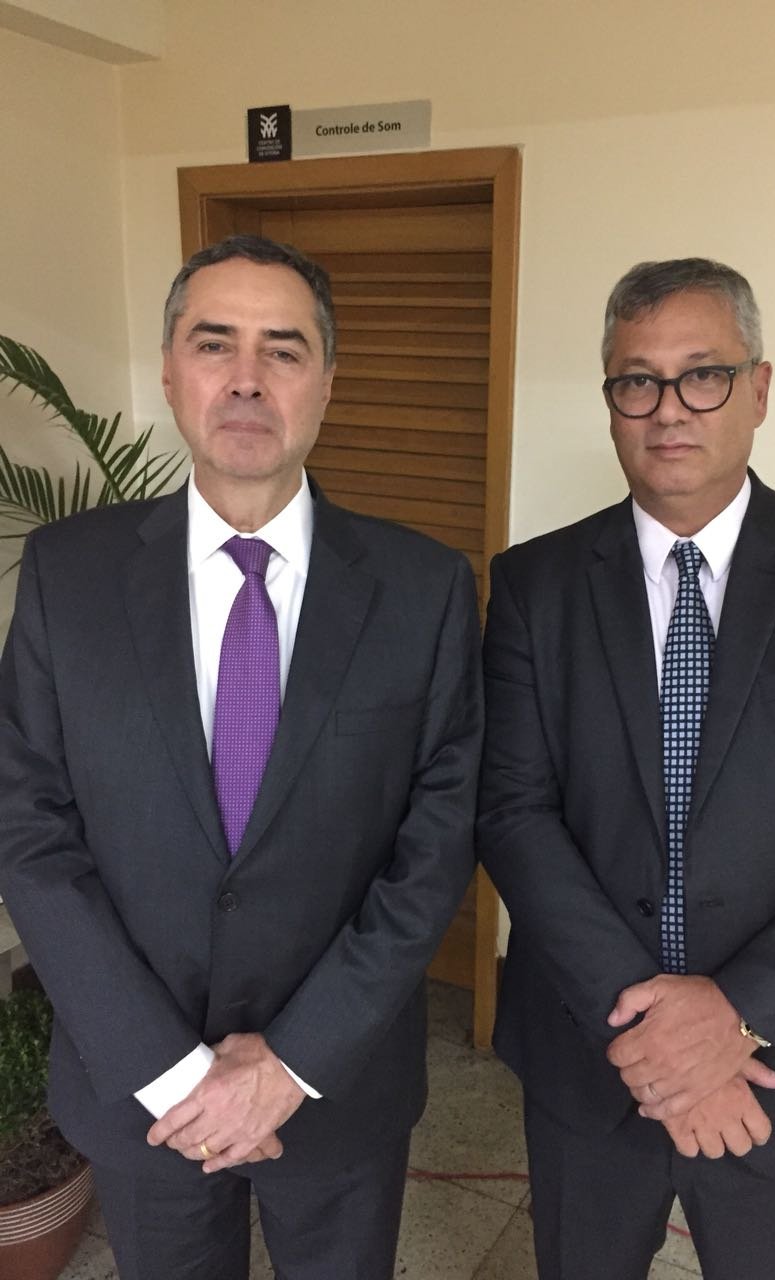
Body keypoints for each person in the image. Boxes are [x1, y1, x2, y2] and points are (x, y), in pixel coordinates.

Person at [0, 234, 482, 1279]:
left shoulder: (425, 588)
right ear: (171, 372)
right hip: (142, 1090)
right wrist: (170, 1070)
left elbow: (435, 845)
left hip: (338, 1082)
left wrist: (295, 1060)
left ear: (328, 381)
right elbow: (28, 828)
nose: (248, 377)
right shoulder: (68, 576)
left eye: (285, 348)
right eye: (214, 343)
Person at [477, 257, 775, 1279]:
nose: (668, 409)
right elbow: (513, 811)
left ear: (760, 388)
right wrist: (653, 1030)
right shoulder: (534, 584)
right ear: (611, 400)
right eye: (636, 380)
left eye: (703, 375)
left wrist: (734, 1014)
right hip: (592, 1057)